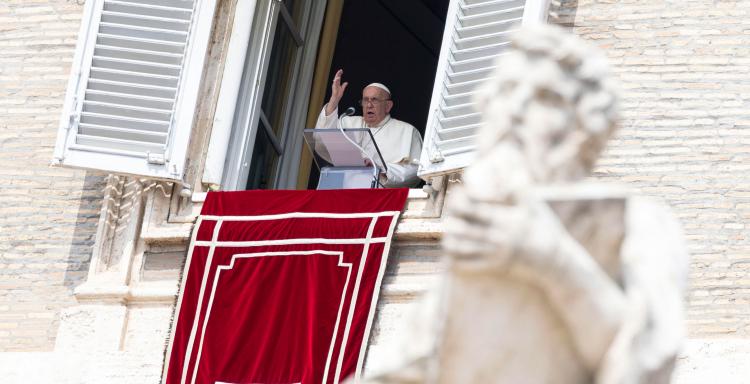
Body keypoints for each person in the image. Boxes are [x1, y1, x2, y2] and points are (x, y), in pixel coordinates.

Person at [315, 69, 423, 188]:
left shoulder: (407, 131)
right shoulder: (348, 123)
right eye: (365, 100)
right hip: (345, 192)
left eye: (374, 100)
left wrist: (380, 169)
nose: (369, 105)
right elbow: (321, 138)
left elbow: (416, 170)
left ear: (388, 106)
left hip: (381, 198)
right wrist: (334, 100)